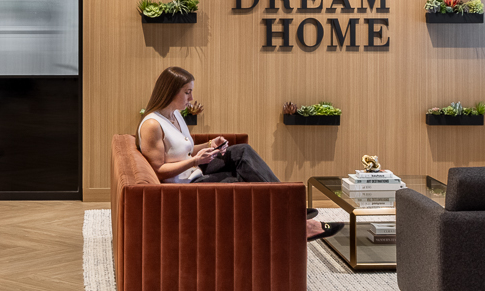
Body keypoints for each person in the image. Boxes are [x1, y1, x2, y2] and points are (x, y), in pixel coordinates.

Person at [136, 67, 340, 240]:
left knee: (242, 151)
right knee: (242, 179)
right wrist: (195, 161)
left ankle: (291, 212)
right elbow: (159, 170)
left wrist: (210, 145)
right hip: (184, 187)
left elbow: (184, 149)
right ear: (171, 91)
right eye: (187, 92)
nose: (191, 98)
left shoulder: (175, 115)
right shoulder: (152, 125)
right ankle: (296, 219)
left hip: (194, 171)